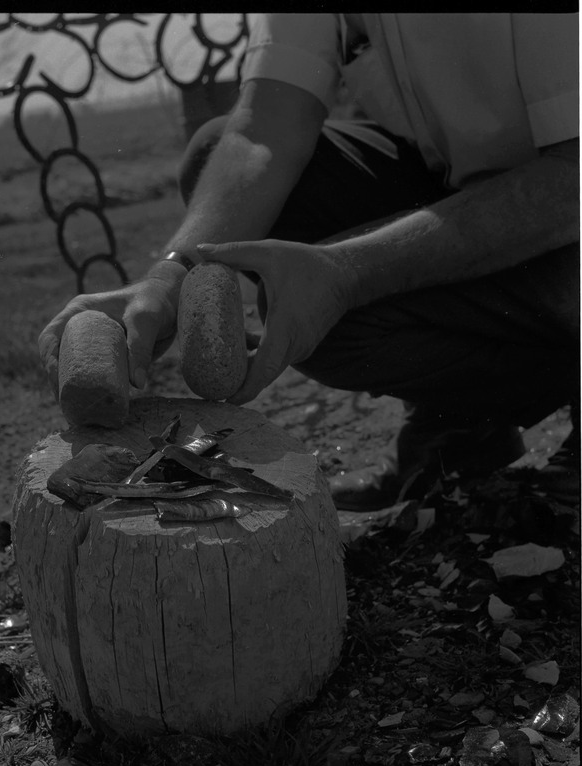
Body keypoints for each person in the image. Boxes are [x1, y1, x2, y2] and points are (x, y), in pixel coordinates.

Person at [39, 13, 579, 510]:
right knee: (221, 162)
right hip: (477, 181)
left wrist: (348, 272)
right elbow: (264, 126)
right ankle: (464, 426)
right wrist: (172, 273)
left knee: (329, 304)